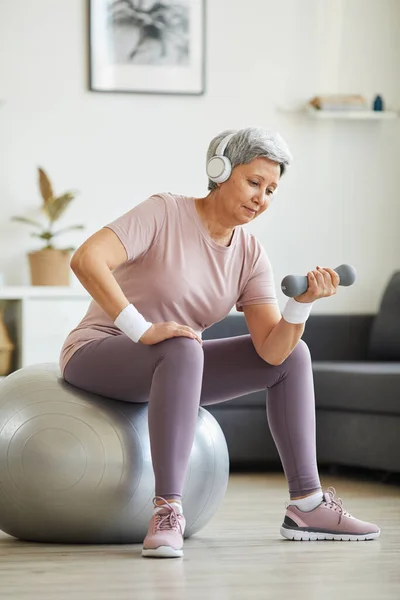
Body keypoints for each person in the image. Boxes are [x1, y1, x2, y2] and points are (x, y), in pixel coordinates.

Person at [60, 127, 380, 558]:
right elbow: (87, 258)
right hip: (99, 351)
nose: (261, 198)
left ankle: (307, 505)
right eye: (253, 182)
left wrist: (300, 305)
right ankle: (167, 510)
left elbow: (271, 351)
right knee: (182, 345)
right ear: (220, 170)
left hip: (174, 363)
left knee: (294, 355)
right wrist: (141, 329)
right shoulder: (164, 212)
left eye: (271, 190)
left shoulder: (250, 253)